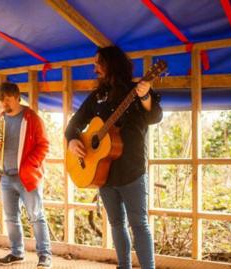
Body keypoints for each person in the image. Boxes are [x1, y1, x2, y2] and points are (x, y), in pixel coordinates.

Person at [65, 46, 162, 269]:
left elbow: (155, 116)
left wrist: (145, 95)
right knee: (116, 223)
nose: (95, 67)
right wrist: (72, 140)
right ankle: (123, 266)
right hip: (102, 172)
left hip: (131, 170)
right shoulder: (97, 96)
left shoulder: (136, 90)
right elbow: (74, 124)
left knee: (139, 224)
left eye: (99, 63)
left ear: (112, 64)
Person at [0, 82, 52, 269]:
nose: (3, 104)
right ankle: (17, 253)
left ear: (17, 97)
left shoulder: (32, 118)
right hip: (5, 176)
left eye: (7, 99)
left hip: (27, 177)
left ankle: (45, 256)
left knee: (36, 216)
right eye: (1, 100)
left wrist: (29, 165)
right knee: (10, 218)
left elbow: (44, 145)